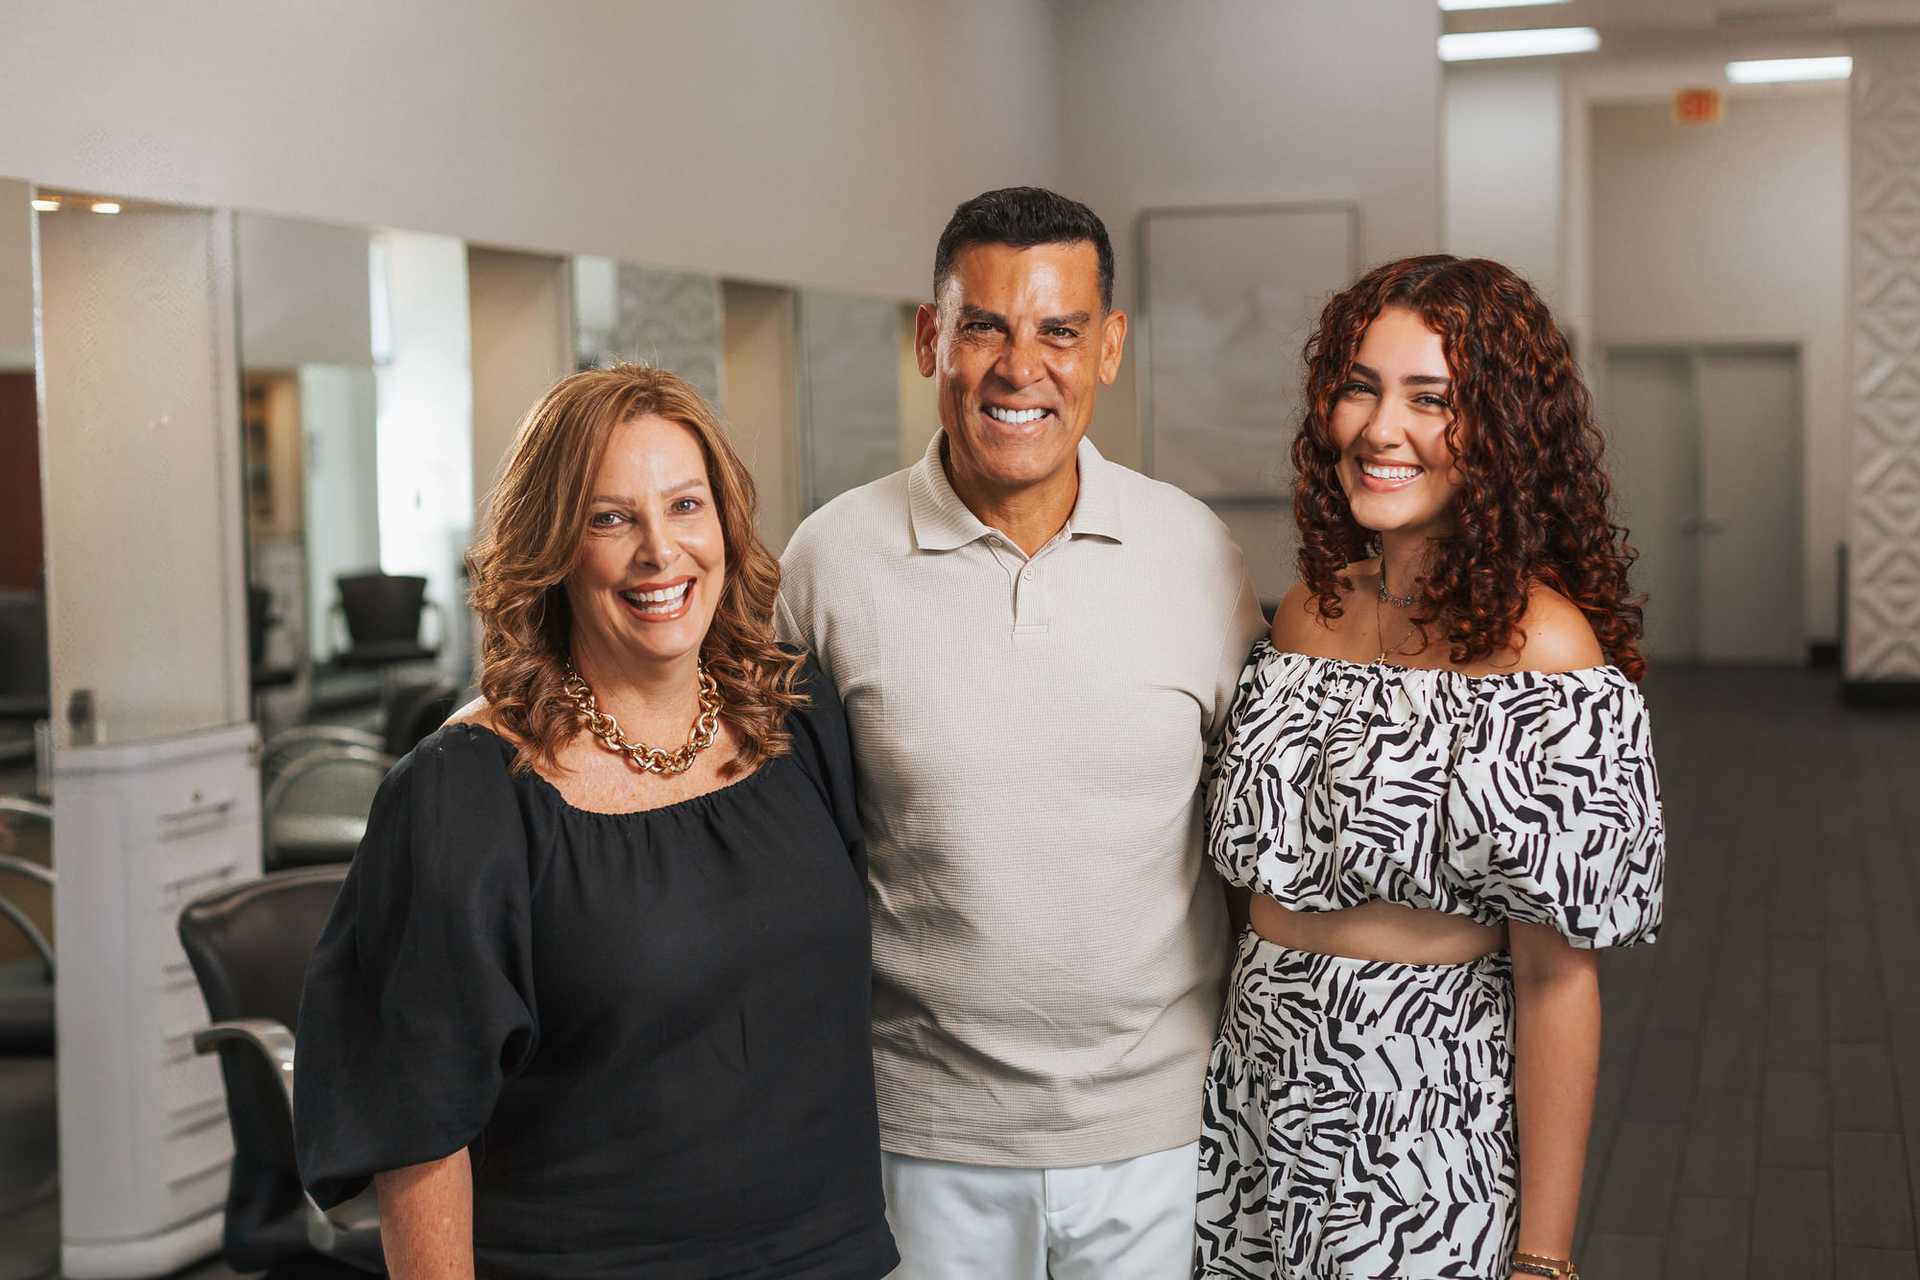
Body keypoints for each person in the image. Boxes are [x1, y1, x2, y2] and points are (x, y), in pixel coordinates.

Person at [293, 364, 897, 1280]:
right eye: (610, 518)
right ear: (553, 548)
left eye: (685, 506)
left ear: (726, 523)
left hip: (828, 1256)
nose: (661, 551)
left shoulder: (802, 717)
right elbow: (418, 1130)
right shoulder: (465, 794)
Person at [776, 186, 1266, 1278]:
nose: (1019, 365)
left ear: (1109, 347)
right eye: (985, 325)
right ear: (928, 338)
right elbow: (791, 852)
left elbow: (1244, 845)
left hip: (1161, 1130)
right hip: (922, 1133)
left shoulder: (1199, 555)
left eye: (1059, 329)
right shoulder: (829, 561)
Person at [1195, 255, 1665, 1280]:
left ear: (1502, 433)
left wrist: (1543, 1255)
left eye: (1431, 398)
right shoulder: (1303, 614)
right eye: (1359, 385)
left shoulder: (1546, 653)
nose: (1379, 428)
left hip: (1422, 1123)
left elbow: (1554, 981)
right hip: (1257, 1100)